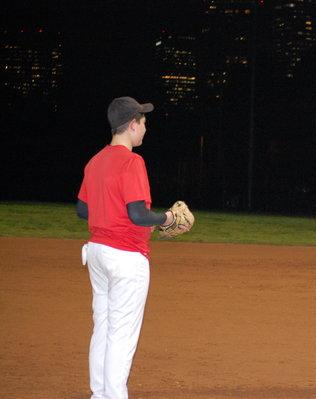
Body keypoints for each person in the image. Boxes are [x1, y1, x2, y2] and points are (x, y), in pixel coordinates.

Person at [76, 96, 179, 399]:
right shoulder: (132, 161)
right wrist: (167, 218)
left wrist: (111, 212)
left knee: (103, 327)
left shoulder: (95, 161)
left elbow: (83, 210)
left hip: (96, 253)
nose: (145, 129)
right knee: (122, 335)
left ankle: (99, 394)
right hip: (126, 258)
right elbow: (137, 214)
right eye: (144, 123)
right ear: (132, 124)